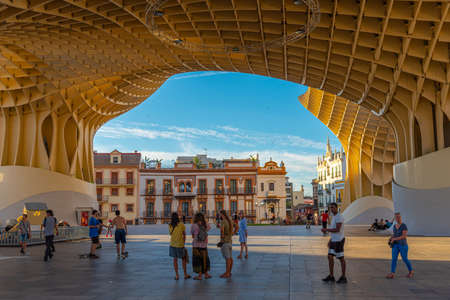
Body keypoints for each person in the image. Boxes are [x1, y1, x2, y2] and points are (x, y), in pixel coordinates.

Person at [322, 203, 347, 284]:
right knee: (329, 257)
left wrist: (326, 230)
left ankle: (343, 277)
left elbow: (337, 229)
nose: (331, 209)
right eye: (330, 208)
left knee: (341, 258)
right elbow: (334, 229)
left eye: (332, 208)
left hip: (339, 240)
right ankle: (331, 276)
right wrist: (330, 240)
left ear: (337, 208)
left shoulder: (339, 216)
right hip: (334, 240)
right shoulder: (334, 217)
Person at [386, 212, 413, 279]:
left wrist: (394, 238)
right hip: (395, 245)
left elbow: (404, 236)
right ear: (395, 218)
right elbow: (394, 234)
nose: (397, 218)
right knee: (394, 259)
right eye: (396, 217)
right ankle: (392, 273)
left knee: (404, 259)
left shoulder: (404, 225)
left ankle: (411, 271)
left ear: (400, 217)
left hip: (403, 245)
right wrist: (391, 237)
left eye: (398, 217)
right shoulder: (395, 226)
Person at [169, 212, 190, 280]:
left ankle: (177, 275)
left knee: (175, 260)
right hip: (180, 244)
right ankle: (185, 274)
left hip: (172, 244)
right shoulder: (181, 225)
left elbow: (170, 234)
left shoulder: (170, 225)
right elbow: (184, 234)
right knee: (183, 259)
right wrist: (183, 243)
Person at [191, 212, 211, 280]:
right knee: (205, 259)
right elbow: (209, 228)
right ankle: (206, 274)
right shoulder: (205, 225)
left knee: (198, 260)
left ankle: (199, 276)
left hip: (196, 245)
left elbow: (193, 235)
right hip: (204, 245)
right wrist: (205, 221)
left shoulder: (194, 225)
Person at [219, 210, 233, 278]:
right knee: (230, 258)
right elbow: (237, 227)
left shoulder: (223, 221)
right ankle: (229, 272)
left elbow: (222, 230)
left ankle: (227, 273)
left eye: (220, 215)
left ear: (222, 214)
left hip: (225, 242)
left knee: (227, 259)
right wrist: (231, 234)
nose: (219, 216)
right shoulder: (230, 220)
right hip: (230, 241)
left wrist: (222, 236)